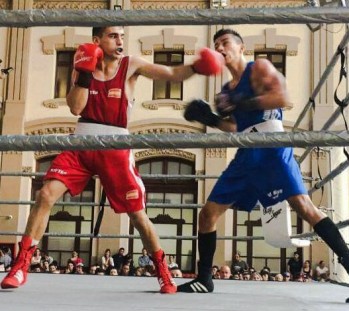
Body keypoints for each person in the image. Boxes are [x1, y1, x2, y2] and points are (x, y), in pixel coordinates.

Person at [0, 26, 223, 293]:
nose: (120, 41)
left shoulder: (131, 65)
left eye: (121, 36)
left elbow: (172, 73)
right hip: (82, 142)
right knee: (46, 194)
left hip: (116, 147)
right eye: (113, 36)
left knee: (138, 216)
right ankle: (21, 265)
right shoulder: (83, 64)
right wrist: (84, 74)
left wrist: (198, 66)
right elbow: (76, 107)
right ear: (97, 41)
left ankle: (163, 271)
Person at [177, 27, 349, 293]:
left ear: (240, 47)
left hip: (271, 144)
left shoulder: (258, 68)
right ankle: (204, 278)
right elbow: (235, 127)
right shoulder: (226, 90)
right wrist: (210, 119)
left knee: (304, 206)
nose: (220, 48)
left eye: (225, 43)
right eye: (216, 44)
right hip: (246, 151)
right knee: (207, 214)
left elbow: (283, 98)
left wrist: (239, 101)